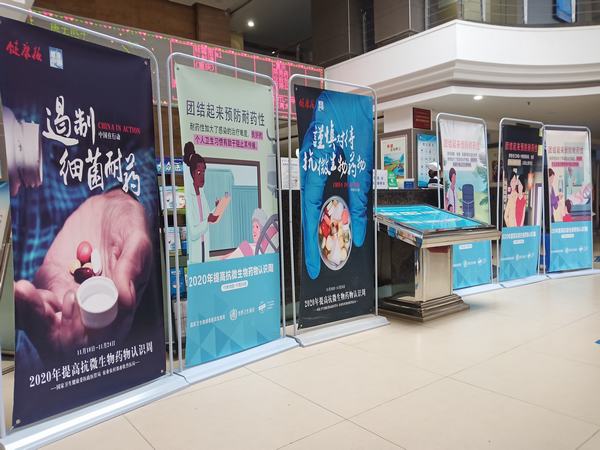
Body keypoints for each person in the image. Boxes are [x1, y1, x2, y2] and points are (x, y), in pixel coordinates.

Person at [183, 142, 229, 263]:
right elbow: (193, 233)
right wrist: (208, 220)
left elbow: (208, 218)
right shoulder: (188, 196)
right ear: (192, 173)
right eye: (199, 172)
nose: (202, 176)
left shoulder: (201, 193)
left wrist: (217, 208)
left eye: (204, 172)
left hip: (205, 247)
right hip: (195, 251)